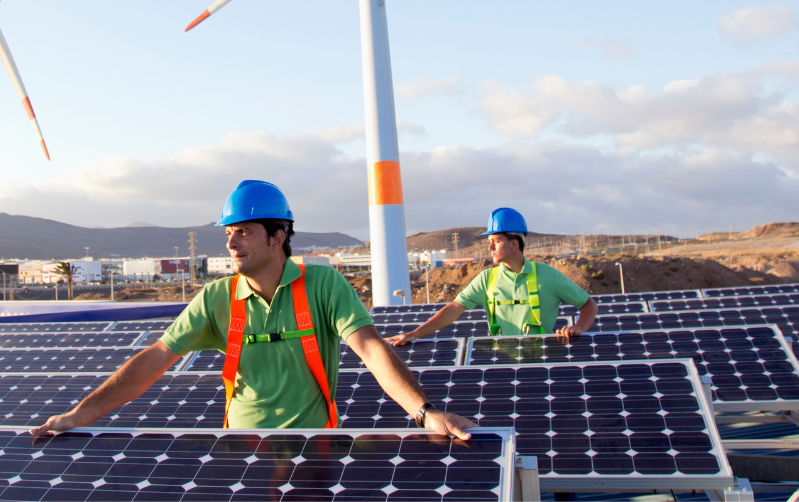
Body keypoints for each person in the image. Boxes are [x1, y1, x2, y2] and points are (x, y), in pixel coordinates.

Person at [30, 180, 476, 439]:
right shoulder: (216, 297)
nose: (230, 242)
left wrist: (424, 413)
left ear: (278, 236)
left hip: (313, 446)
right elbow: (154, 359)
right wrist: (79, 414)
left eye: (243, 231)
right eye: (229, 232)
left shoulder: (322, 284)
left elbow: (372, 350)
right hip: (240, 445)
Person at [386, 207, 597, 346]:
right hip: (500, 366)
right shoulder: (486, 278)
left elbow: (588, 304)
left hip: (541, 366)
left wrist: (579, 329)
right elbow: (453, 309)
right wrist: (415, 333)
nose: (490, 247)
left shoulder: (548, 276)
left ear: (514, 243)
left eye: (495, 241)